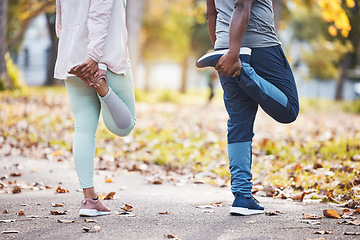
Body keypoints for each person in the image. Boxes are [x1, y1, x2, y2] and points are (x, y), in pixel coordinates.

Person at [205, 0, 299, 215]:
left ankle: (242, 196)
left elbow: (212, 14)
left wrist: (222, 49)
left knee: (238, 122)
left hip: (224, 47)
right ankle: (244, 71)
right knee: (289, 109)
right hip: (259, 48)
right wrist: (234, 56)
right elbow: (241, 6)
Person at [54, 0, 136, 217]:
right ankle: (103, 90)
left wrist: (75, 50)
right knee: (124, 126)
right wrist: (93, 58)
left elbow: (60, 23)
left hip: (72, 57)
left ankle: (89, 200)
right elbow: (99, 15)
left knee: (83, 129)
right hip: (104, 58)